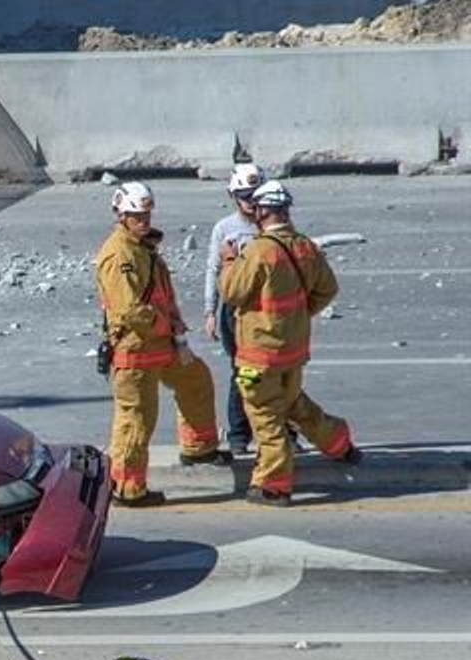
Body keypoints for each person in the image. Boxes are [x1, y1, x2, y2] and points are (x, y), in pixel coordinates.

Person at [219, 180, 361, 506]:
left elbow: (232, 293)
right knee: (292, 401)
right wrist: (298, 316)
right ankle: (339, 443)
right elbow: (327, 289)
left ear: (263, 211)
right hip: (293, 351)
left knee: (265, 415)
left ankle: (273, 484)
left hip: (258, 356)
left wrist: (229, 261)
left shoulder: (258, 250)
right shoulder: (305, 246)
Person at [95, 181, 229, 508]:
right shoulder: (119, 255)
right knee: (136, 421)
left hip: (161, 344)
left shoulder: (142, 248)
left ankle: (199, 448)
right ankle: (127, 489)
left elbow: (159, 295)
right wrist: (167, 325)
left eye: (146, 213)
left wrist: (174, 325)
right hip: (136, 350)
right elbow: (130, 310)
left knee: (196, 380)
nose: (144, 220)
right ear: (121, 215)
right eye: (136, 215)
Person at [203, 164, 266, 455]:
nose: (252, 203)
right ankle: (239, 434)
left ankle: (283, 431)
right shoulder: (225, 229)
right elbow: (213, 271)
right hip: (234, 310)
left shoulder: (272, 223)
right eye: (245, 197)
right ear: (233, 196)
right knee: (242, 370)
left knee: (276, 371)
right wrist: (210, 312)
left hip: (266, 308)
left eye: (256, 195)